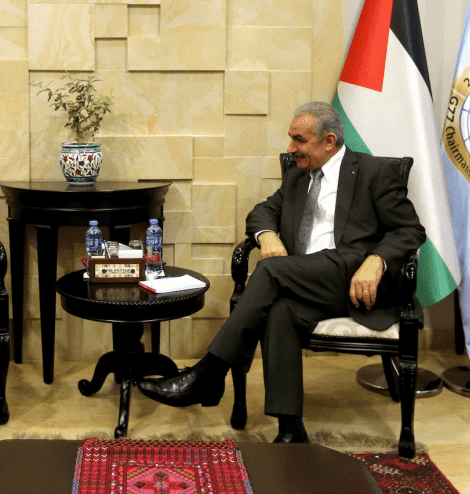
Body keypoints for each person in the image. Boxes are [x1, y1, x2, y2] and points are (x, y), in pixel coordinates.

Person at [138, 102, 425, 443]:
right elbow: (262, 211)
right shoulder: (298, 176)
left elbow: (410, 230)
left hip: (353, 279)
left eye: (299, 140)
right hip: (309, 281)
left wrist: (377, 259)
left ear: (329, 141)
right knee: (280, 311)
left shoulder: (373, 172)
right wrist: (267, 235)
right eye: (290, 139)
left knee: (270, 271)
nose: (290, 148)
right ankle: (290, 429)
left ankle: (209, 373)